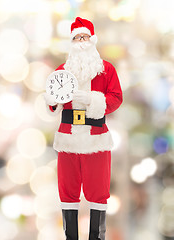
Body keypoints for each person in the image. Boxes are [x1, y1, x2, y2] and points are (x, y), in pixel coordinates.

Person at [44, 17, 123, 240]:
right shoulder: (62, 71)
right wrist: (51, 99)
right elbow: (53, 102)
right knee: (67, 191)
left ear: (92, 40)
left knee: (98, 192)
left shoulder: (106, 70)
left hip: (96, 138)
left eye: (85, 37)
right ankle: (70, 236)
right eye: (77, 37)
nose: (81, 41)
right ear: (72, 41)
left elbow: (116, 98)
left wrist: (91, 99)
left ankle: (96, 236)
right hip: (68, 137)